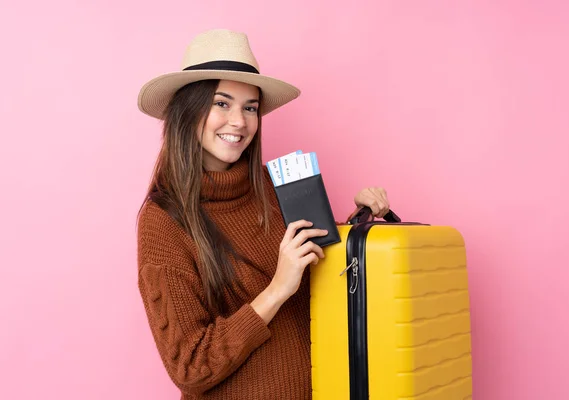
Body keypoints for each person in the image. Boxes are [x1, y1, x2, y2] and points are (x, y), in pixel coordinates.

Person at [136, 29, 390, 399]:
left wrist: (359, 223)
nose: (239, 121)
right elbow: (189, 367)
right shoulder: (163, 221)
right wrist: (276, 290)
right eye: (222, 103)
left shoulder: (278, 186)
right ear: (188, 110)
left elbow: (321, 272)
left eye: (250, 107)